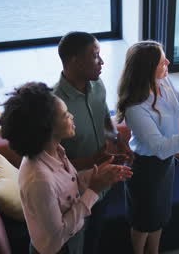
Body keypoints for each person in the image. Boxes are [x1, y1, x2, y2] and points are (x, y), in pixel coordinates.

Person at [0, 82, 133, 254]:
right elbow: (57, 237)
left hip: (73, 240)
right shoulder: (39, 179)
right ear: (47, 129)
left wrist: (97, 174)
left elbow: (68, 184)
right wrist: (94, 190)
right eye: (65, 115)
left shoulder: (56, 151)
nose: (72, 116)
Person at [116, 40, 179, 254]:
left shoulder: (164, 81)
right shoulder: (135, 108)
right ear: (148, 69)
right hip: (145, 168)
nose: (169, 62)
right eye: (163, 61)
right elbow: (160, 148)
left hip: (166, 164)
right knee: (143, 220)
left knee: (160, 215)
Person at [53, 31, 133, 253]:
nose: (102, 62)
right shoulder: (55, 105)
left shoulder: (98, 86)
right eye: (95, 56)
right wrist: (92, 160)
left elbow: (105, 119)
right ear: (75, 61)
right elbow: (52, 163)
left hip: (103, 186)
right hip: (74, 196)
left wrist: (118, 140)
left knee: (94, 240)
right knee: (77, 246)